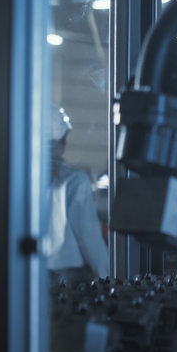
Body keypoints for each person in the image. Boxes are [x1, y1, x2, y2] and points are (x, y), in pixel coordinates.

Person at [46, 107, 109, 282]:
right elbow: (88, 235)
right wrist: (108, 277)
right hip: (61, 272)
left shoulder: (20, 178)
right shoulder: (75, 180)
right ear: (60, 141)